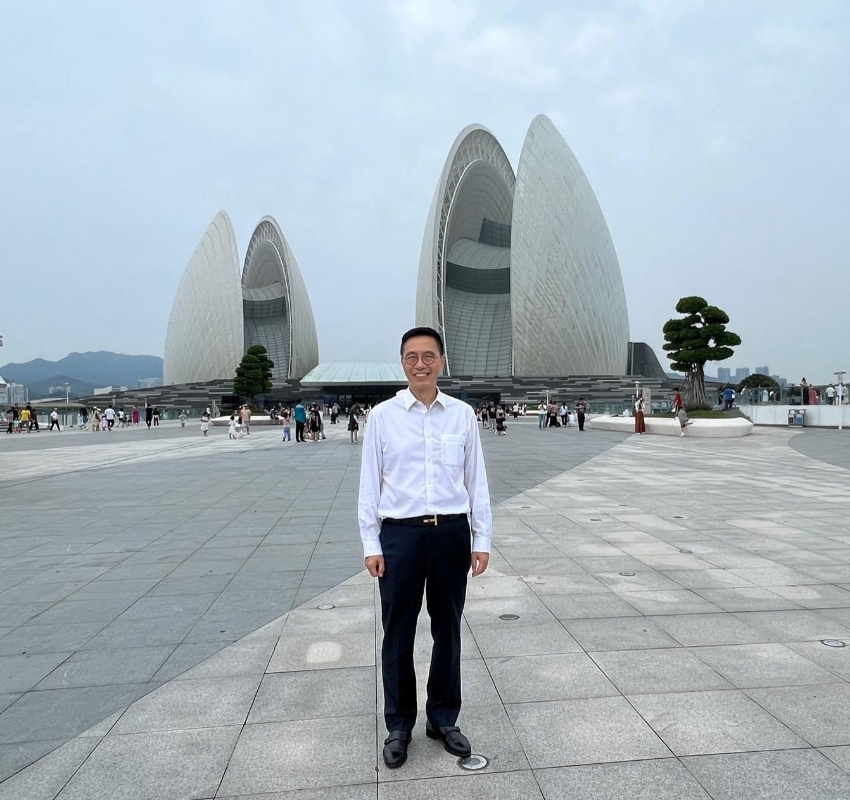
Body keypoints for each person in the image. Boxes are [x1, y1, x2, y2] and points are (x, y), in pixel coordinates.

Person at [359, 326, 492, 770]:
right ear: (402, 363)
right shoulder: (382, 417)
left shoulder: (462, 415)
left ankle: (443, 718)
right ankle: (399, 725)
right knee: (397, 631)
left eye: (428, 356)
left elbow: (476, 480)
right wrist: (371, 543)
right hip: (400, 536)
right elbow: (369, 484)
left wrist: (481, 538)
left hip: (451, 533)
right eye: (412, 357)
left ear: (441, 361)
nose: (421, 364)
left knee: (448, 629)